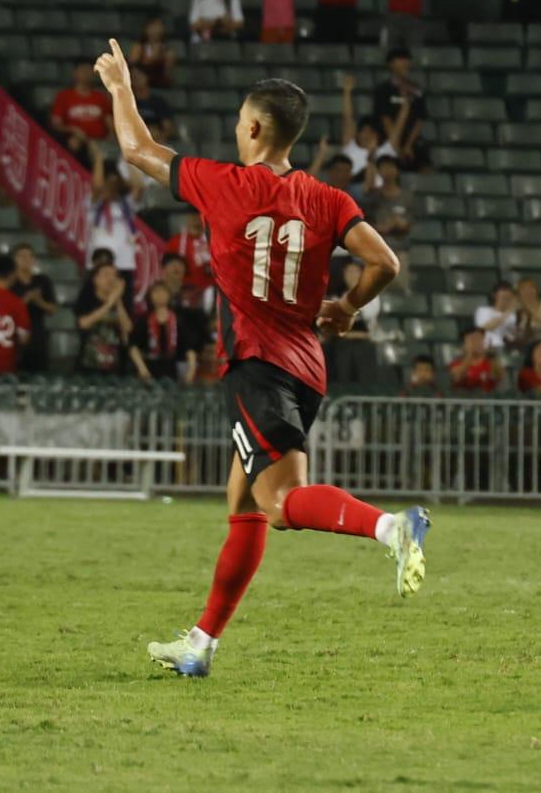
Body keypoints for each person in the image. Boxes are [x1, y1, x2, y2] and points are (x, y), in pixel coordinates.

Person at [87, 38, 425, 679]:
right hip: (307, 367)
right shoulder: (328, 199)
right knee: (244, 504)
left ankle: (392, 529)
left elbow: (135, 150)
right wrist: (347, 305)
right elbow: (384, 262)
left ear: (251, 127)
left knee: (278, 501)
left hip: (255, 361)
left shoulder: (225, 184)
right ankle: (200, 645)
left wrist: (120, 88)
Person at [370, 49, 430, 172]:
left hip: (411, 141)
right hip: (388, 140)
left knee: (425, 165)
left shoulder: (416, 90)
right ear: (391, 64)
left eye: (406, 60)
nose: (404, 63)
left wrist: (408, 145)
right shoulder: (383, 90)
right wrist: (396, 147)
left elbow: (419, 120)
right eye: (400, 60)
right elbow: (385, 119)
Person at [87, 146, 142, 278]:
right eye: (108, 183)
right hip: (99, 262)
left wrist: (129, 159)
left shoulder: (126, 205)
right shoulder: (94, 204)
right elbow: (97, 186)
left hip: (124, 262)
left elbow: (139, 187)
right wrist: (99, 159)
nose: (111, 187)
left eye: (114, 183)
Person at [324, 260, 379, 388]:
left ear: (362, 274)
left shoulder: (372, 295)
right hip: (341, 344)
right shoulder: (337, 298)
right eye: (349, 272)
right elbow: (335, 328)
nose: (352, 275)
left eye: (355, 272)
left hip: (364, 344)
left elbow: (370, 329)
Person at [131, 280, 198, 384]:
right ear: (150, 296)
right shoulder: (144, 319)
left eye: (163, 292)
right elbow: (133, 346)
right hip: (149, 367)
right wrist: (142, 368)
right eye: (156, 292)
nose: (160, 295)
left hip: (171, 368)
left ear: (169, 295)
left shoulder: (178, 320)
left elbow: (189, 347)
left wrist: (191, 370)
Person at [74, 262, 133, 375]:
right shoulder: (87, 298)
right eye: (106, 274)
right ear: (95, 279)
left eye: (114, 275)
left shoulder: (122, 302)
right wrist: (109, 304)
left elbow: (128, 328)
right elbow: (83, 324)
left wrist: (118, 300)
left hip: (116, 366)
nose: (111, 279)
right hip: (89, 363)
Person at [8, 244, 58, 375]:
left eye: (30, 256)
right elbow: (7, 310)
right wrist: (26, 299)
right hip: (15, 336)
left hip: (37, 334)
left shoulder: (43, 280)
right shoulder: (10, 282)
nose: (26, 259)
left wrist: (39, 301)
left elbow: (53, 309)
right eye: (22, 256)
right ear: (14, 260)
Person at [50, 62, 112, 161]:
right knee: (73, 143)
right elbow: (56, 123)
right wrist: (72, 130)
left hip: (98, 140)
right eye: (83, 70)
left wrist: (111, 136)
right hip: (77, 139)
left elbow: (109, 121)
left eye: (89, 71)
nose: (87, 73)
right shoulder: (64, 96)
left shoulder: (100, 97)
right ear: (75, 73)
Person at [448, 327, 503, 393]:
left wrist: (491, 354)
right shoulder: (455, 363)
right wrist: (469, 353)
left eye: (480, 339)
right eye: (473, 340)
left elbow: (498, 376)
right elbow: (457, 377)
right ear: (463, 345)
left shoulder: (492, 361)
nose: (477, 343)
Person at [129, 16, 177, 89]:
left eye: (158, 26)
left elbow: (167, 74)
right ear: (146, 28)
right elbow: (132, 65)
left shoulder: (168, 52)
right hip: (139, 83)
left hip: (158, 84)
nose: (155, 30)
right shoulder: (139, 47)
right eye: (152, 26)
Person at [473, 281, 520, 352]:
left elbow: (511, 336)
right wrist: (509, 311)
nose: (506, 300)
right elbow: (486, 327)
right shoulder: (483, 310)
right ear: (494, 295)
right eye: (503, 297)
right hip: (486, 348)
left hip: (504, 349)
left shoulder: (512, 316)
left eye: (508, 297)